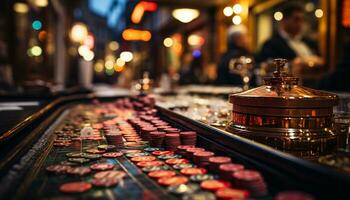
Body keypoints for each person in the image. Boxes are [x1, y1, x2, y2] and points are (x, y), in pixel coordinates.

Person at [257, 3, 321, 68]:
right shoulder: (271, 44)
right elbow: (266, 66)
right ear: (284, 20)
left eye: (302, 20)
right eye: (296, 19)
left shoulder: (309, 42)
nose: (300, 23)